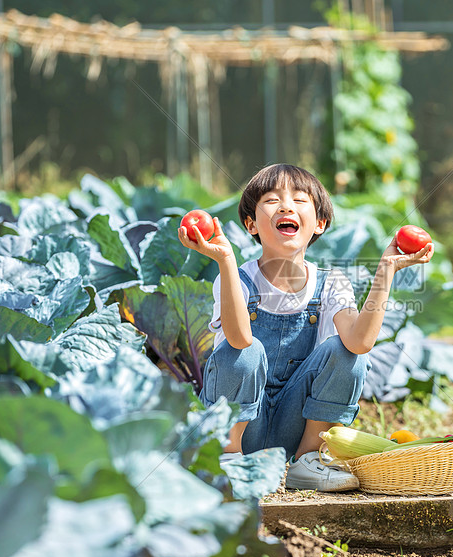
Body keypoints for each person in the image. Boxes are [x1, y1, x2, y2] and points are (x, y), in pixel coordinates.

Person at [178, 164, 433, 492]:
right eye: (272, 199)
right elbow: (240, 339)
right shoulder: (235, 279)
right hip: (239, 424)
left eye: (300, 200)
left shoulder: (331, 283)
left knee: (346, 352)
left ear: (320, 223)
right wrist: (225, 261)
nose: (286, 206)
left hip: (293, 424)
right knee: (247, 349)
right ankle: (229, 459)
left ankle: (307, 461)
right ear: (251, 224)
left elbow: (360, 343)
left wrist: (386, 270)